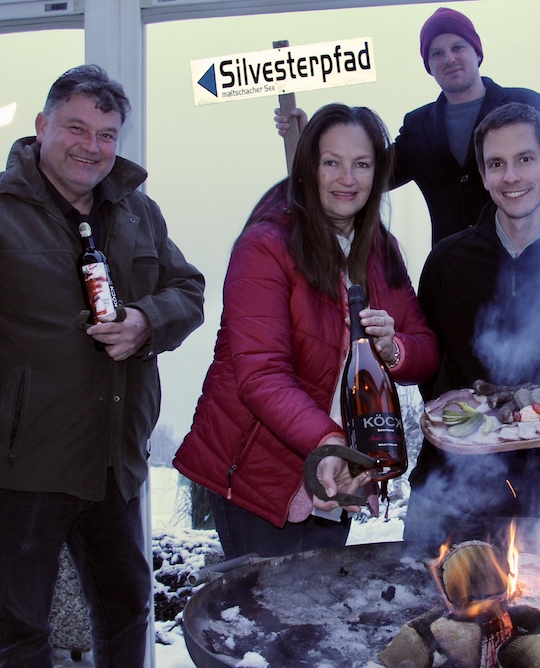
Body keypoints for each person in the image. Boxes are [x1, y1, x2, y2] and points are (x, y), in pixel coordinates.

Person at [0, 65, 205, 666]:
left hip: (116, 463)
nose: (92, 146)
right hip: (19, 467)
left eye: (107, 134)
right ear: (41, 126)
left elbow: (187, 290)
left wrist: (144, 322)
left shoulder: (138, 211)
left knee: (127, 614)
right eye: (76, 127)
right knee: (23, 632)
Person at [174, 104, 439, 560]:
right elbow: (260, 374)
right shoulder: (267, 245)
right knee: (264, 619)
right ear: (309, 168)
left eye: (361, 164)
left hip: (338, 472)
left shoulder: (380, 249)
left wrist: (393, 349)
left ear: (379, 173)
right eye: (331, 162)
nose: (347, 179)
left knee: (314, 615)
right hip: (259, 473)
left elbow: (426, 350)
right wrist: (330, 443)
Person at [404, 102, 540, 551]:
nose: (511, 177)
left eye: (525, 159)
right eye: (496, 164)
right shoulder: (449, 262)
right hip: (451, 495)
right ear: (484, 176)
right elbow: (429, 367)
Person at [277, 6, 540, 246]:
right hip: (455, 272)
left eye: (458, 47)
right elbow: (369, 172)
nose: (449, 58)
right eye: (436, 53)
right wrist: (313, 139)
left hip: (530, 263)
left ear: (476, 53)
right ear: (429, 65)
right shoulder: (418, 125)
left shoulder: (527, 105)